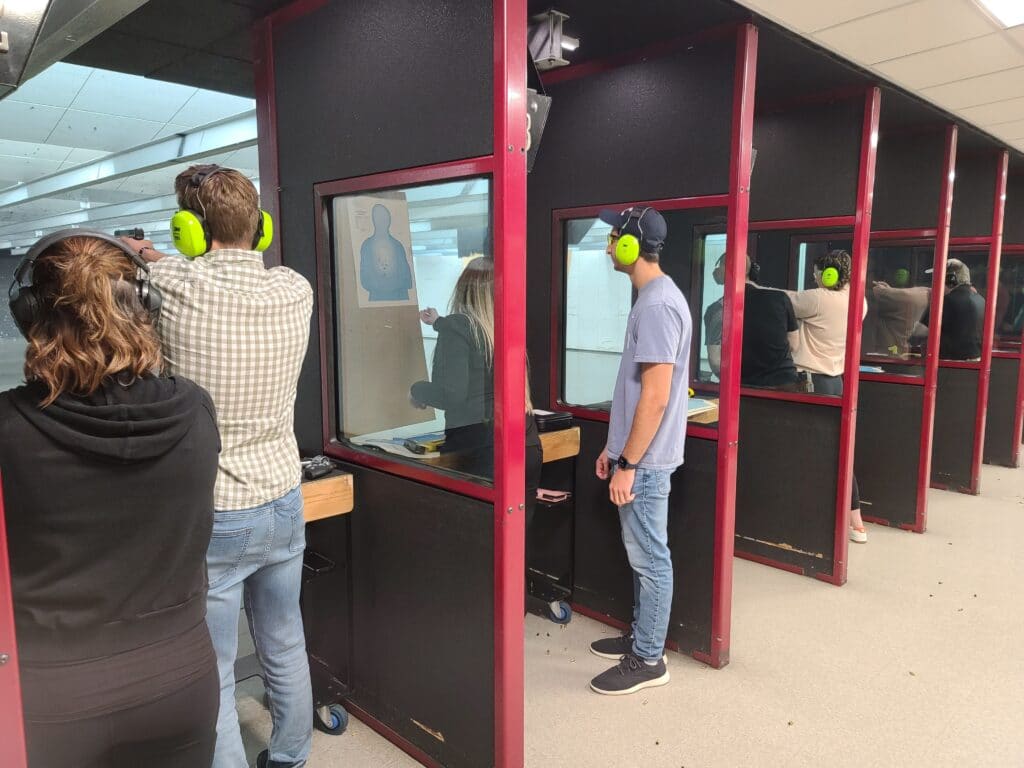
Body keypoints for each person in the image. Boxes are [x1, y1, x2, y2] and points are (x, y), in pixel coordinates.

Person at [1, 231, 221, 767]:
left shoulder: (8, 426)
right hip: (182, 679)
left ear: (31, 314)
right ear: (144, 306)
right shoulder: (195, 408)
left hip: (55, 693)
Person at [123, 165, 314, 768]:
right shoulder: (294, 288)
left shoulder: (176, 284)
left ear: (190, 231)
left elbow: (145, 262)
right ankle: (290, 757)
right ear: (260, 229)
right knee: (285, 640)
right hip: (285, 498)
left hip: (219, 513)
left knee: (218, 667)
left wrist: (139, 248)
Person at [589, 206, 690, 696]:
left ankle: (649, 658)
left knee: (650, 557)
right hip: (638, 457)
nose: (609, 245)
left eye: (613, 237)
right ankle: (642, 635)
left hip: (646, 463)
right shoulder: (652, 299)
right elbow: (636, 390)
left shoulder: (655, 306)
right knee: (641, 555)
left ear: (632, 246)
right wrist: (614, 449)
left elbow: (655, 395)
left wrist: (629, 463)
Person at [411, 255, 544, 569]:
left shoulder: (459, 328)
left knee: (476, 549)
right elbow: (468, 336)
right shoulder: (505, 329)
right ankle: (515, 614)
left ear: (463, 289)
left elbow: (451, 395)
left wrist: (416, 390)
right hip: (524, 447)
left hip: (480, 451)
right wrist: (437, 322)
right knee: (515, 543)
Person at [782, 250, 868, 543]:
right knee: (839, 451)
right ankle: (855, 521)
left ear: (829, 274)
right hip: (835, 382)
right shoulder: (859, 301)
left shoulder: (819, 298)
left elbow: (781, 298)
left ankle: (813, 520)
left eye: (818, 273)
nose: (815, 278)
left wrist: (749, 284)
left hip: (811, 382)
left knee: (808, 454)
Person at [708, 254, 801, 390]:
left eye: (719, 267)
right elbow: (794, 344)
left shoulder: (718, 309)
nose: (716, 272)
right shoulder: (780, 298)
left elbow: (716, 361)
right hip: (785, 386)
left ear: (730, 270)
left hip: (743, 389)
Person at [919, 259, 985, 361]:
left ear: (951, 280)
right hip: (974, 361)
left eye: (939, 279)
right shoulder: (980, 299)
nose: (935, 284)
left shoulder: (949, 301)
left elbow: (923, 329)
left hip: (950, 364)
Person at [866, 265, 930, 357]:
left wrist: (886, 291)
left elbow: (878, 294)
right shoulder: (919, 296)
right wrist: (889, 291)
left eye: (870, 272)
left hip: (889, 354)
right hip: (895, 352)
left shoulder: (912, 298)